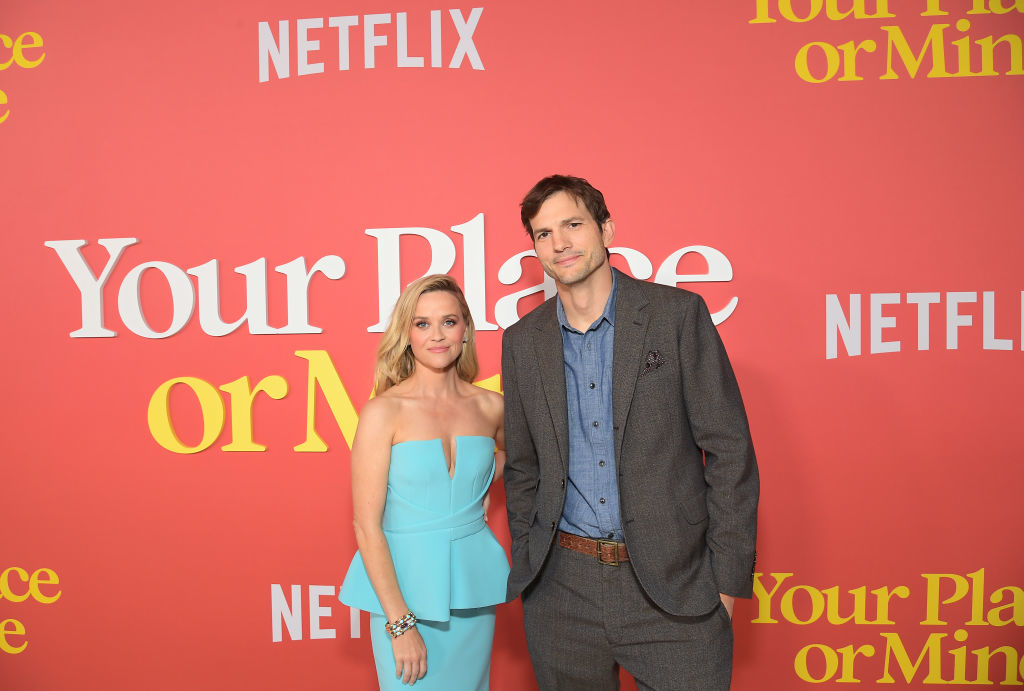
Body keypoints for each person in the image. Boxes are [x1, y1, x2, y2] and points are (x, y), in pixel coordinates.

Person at [501, 175, 759, 690]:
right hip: (561, 592)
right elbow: (523, 467)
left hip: (676, 587)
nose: (560, 243)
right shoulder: (522, 341)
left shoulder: (676, 316)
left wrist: (724, 584)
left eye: (573, 224)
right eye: (543, 233)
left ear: (606, 230)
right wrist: (533, 564)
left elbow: (730, 450)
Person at [339, 274, 509, 689]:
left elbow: (510, 455)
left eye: (448, 322)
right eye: (422, 324)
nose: (437, 335)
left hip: (471, 589)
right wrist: (400, 625)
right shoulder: (384, 412)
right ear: (406, 334)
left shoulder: (491, 406)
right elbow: (366, 525)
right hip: (404, 592)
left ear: (465, 329)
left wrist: (479, 484)